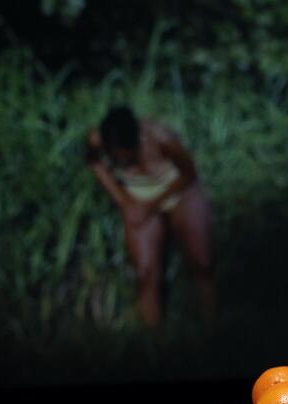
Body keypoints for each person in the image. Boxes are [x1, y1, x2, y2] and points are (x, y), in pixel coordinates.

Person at [85, 106, 215, 328]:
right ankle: (153, 344)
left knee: (201, 262)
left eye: (124, 152)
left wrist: (152, 205)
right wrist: (124, 201)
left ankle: (213, 327)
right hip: (138, 196)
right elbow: (94, 163)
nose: (118, 158)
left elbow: (189, 173)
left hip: (177, 189)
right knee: (145, 273)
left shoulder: (161, 138)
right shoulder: (97, 141)